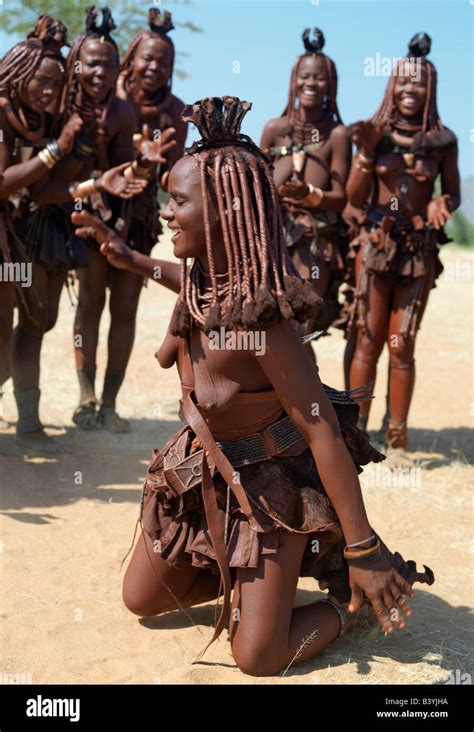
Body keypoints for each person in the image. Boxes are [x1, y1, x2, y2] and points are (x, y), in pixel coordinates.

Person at [72, 96, 434, 677]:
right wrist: (130, 258)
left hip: (271, 489)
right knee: (142, 599)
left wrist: (363, 549)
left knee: (258, 657)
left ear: (223, 212)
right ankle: (249, 582)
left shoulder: (267, 322)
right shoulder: (204, 280)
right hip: (207, 471)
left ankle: (349, 604)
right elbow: (180, 278)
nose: (167, 211)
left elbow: (322, 436)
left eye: (180, 201)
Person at [345, 33, 460, 463]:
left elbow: (453, 192)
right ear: (392, 85)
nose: (411, 90)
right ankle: (355, 435)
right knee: (368, 340)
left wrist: (441, 202)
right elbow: (356, 198)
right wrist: (365, 153)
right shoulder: (375, 134)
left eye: (420, 84)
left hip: (417, 251)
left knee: (401, 344)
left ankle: (397, 437)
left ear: (431, 90)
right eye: (404, 83)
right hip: (376, 246)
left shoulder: (444, 140)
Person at [0, 16, 82, 438]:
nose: (50, 91)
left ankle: (28, 422)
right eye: (41, 81)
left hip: (19, 241)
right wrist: (55, 150)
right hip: (5, 242)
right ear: (16, 74)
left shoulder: (40, 118)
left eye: (57, 83)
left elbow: (42, 186)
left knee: (37, 322)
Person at [260, 28, 351, 358]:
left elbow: (342, 197)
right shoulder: (274, 129)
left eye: (320, 79)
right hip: (270, 239)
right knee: (265, 323)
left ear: (331, 85)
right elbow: (257, 183)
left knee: (299, 327)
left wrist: (311, 194)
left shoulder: (337, 135)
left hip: (314, 242)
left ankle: (306, 404)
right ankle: (271, 406)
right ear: (294, 81)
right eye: (305, 77)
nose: (311, 84)